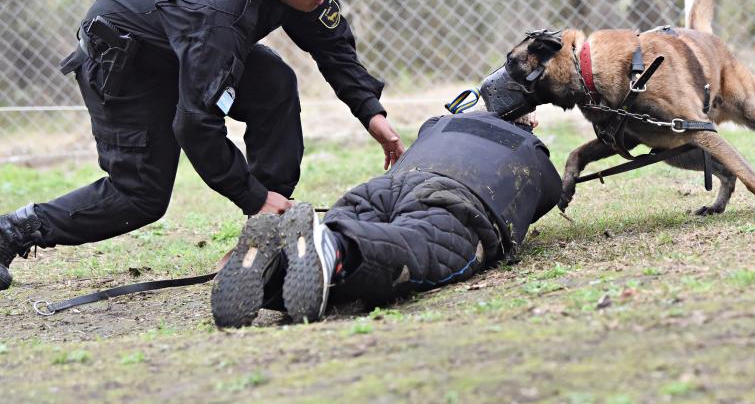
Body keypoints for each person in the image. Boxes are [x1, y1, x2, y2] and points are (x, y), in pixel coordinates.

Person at [0, 0, 405, 290]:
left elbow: (332, 44)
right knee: (138, 195)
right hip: (126, 65)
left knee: (274, 83)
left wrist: (370, 111)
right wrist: (252, 194)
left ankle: (267, 233)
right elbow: (196, 126)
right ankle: (12, 231)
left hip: (179, 49)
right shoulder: (216, 17)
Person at [210, 110, 562, 328]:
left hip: (384, 186)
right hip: (455, 198)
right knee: (418, 248)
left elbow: (432, 125)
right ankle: (335, 247)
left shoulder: (441, 124)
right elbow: (548, 193)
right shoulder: (529, 147)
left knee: (344, 231)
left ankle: (278, 266)